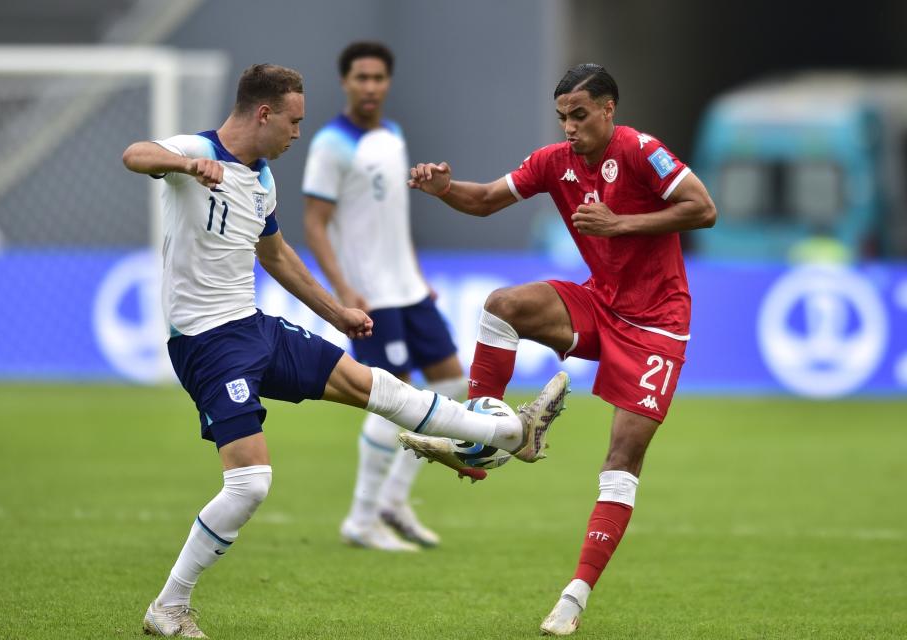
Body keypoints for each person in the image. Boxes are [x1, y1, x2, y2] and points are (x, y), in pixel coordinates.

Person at [122, 63, 569, 638]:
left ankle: (506, 434)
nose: (297, 133)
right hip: (207, 344)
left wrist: (337, 312)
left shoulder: (262, 180)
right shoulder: (193, 151)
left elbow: (277, 256)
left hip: (255, 327)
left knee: (370, 384)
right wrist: (185, 163)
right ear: (263, 113)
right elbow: (136, 154)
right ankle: (169, 605)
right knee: (250, 484)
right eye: (292, 121)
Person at [407, 64, 716, 636]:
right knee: (502, 306)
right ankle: (486, 439)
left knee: (621, 463)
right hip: (601, 304)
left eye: (579, 115)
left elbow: (704, 209)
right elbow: (484, 201)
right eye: (562, 118)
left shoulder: (643, 151)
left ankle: (573, 597)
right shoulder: (554, 161)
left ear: (608, 109)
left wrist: (618, 224)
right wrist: (444, 188)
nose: (569, 127)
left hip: (658, 326)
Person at [302, 42, 466, 552]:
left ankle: (393, 499)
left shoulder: (393, 135)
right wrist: (344, 289)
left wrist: (416, 273)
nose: (370, 86)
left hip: (409, 289)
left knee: (453, 381)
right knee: (389, 399)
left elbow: (394, 217)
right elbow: (314, 223)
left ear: (388, 82)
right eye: (360, 78)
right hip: (370, 294)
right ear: (345, 82)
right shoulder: (331, 143)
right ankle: (361, 517)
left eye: (378, 78)